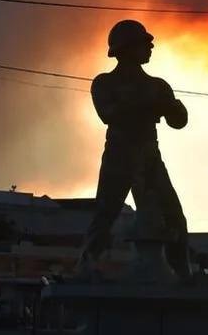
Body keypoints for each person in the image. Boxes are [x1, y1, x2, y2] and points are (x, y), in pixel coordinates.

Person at [78, 19, 191, 279]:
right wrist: (149, 106)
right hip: (119, 156)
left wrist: (173, 107)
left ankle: (181, 272)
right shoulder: (105, 83)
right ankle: (86, 266)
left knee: (173, 216)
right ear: (127, 48)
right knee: (105, 216)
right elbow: (109, 114)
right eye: (144, 43)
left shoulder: (157, 85)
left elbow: (179, 121)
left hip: (150, 158)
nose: (150, 47)